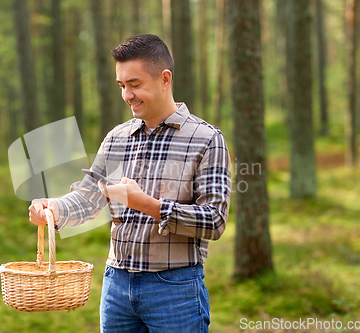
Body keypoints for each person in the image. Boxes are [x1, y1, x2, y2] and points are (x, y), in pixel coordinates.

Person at [29, 34, 231, 333]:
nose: (127, 95)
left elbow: (214, 221)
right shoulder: (118, 137)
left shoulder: (206, 139)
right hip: (116, 287)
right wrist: (53, 209)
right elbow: (87, 198)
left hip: (175, 289)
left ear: (165, 79)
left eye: (135, 84)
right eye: (122, 86)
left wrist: (149, 206)